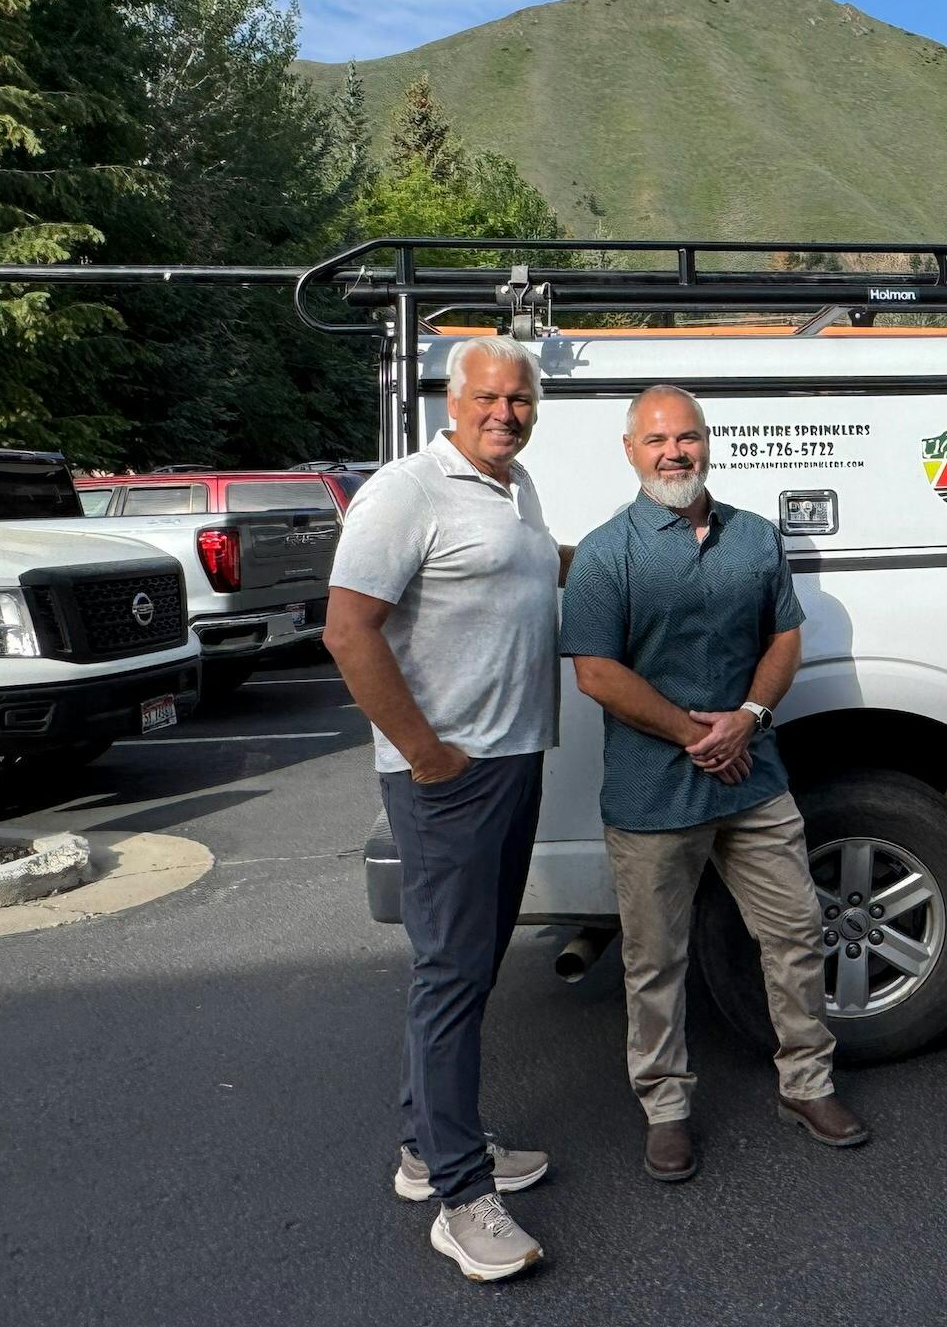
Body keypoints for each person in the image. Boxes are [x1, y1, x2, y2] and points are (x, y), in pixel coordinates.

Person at [558, 384, 867, 1183]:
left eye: (687, 436)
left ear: (708, 441)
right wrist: (699, 731)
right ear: (631, 452)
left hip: (753, 777)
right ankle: (666, 1106)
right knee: (656, 958)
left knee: (797, 931)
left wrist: (752, 715)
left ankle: (807, 1084)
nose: (674, 452)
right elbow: (596, 671)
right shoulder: (605, 552)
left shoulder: (756, 538)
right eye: (657, 440)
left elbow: (785, 638)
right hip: (653, 791)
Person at [326, 334, 562, 1283]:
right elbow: (348, 626)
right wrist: (425, 753)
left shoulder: (514, 485)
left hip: (509, 762)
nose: (505, 412)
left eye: (520, 400)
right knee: (452, 976)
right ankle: (463, 1198)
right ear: (449, 401)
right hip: (450, 779)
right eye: (489, 397)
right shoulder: (407, 490)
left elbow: (529, 570)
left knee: (467, 968)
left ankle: (431, 1148)